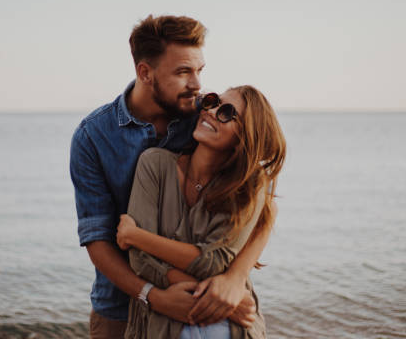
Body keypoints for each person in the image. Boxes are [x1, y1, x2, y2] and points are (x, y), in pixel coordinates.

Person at [70, 15, 273, 339]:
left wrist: (233, 279)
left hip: (214, 305)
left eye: (199, 71)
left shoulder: (205, 117)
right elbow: (98, 240)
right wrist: (154, 295)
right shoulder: (93, 136)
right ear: (145, 73)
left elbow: (261, 204)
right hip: (121, 307)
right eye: (183, 72)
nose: (197, 85)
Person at [116, 87, 286, 338]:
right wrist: (226, 301)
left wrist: (136, 236)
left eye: (227, 112)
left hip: (235, 329)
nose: (211, 112)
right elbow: (140, 260)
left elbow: (214, 262)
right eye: (212, 101)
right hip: (165, 326)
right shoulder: (154, 165)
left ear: (245, 136)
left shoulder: (248, 187)